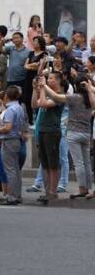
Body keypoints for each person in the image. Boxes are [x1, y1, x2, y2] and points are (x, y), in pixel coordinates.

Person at [51, 68, 95, 199]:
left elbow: (55, 97)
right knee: (86, 163)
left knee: (79, 163)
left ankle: (82, 189)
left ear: (76, 86)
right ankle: (88, 188)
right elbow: (93, 104)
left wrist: (43, 87)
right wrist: (89, 88)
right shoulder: (89, 98)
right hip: (86, 133)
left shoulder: (74, 98)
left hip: (73, 133)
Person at [31, 71, 65, 204]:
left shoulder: (60, 95)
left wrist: (43, 87)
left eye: (51, 78)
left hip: (52, 131)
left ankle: (53, 192)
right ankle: (47, 191)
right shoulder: (47, 91)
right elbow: (34, 104)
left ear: (58, 81)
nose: (48, 80)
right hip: (42, 130)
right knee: (44, 163)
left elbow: (44, 103)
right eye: (48, 78)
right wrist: (35, 89)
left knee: (53, 164)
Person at [0, 85, 28, 205]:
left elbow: (8, 127)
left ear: (7, 96)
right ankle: (17, 195)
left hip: (9, 140)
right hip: (17, 140)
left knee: (10, 170)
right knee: (16, 170)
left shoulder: (10, 110)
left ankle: (12, 196)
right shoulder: (19, 108)